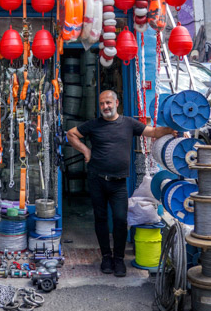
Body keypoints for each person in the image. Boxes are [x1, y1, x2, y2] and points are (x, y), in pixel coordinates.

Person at [66, 89, 177, 277]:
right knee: (100, 219)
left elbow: (153, 131)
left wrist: (172, 130)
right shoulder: (94, 125)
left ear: (116, 103)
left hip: (118, 183)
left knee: (120, 219)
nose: (105, 107)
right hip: (97, 179)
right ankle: (106, 257)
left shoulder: (128, 124)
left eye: (108, 103)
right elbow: (71, 133)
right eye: (101, 104)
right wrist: (85, 151)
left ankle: (119, 259)